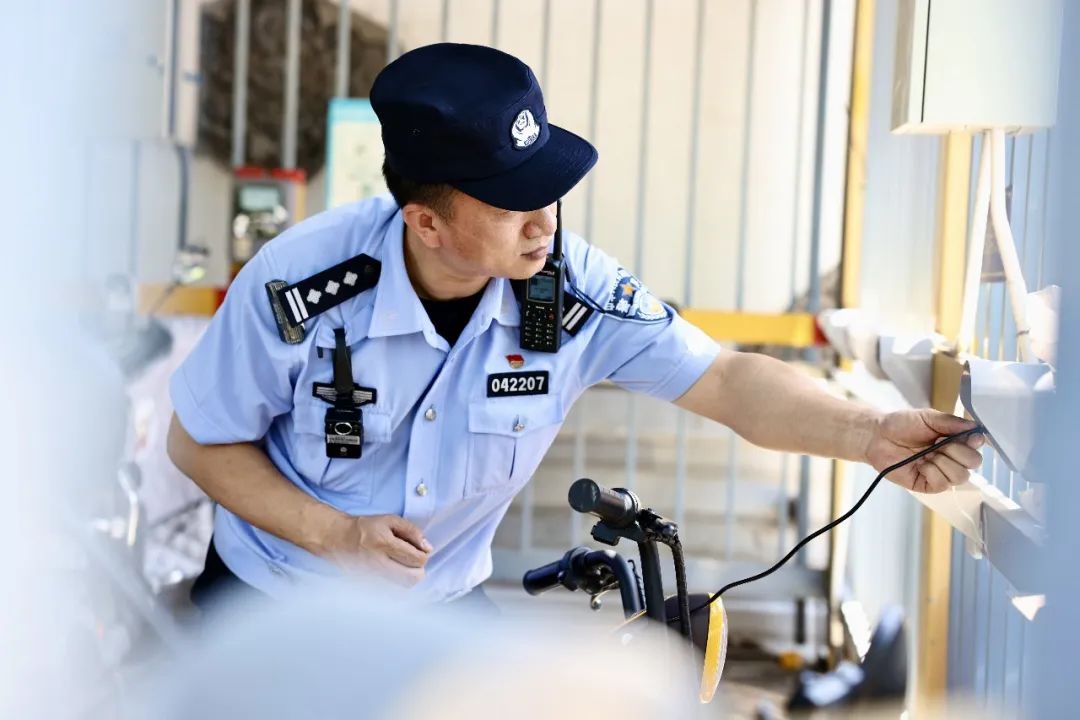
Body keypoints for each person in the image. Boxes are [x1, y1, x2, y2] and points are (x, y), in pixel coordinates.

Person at [167, 43, 984, 610]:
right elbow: (196, 442)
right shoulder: (300, 284)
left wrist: (870, 431)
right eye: (511, 204)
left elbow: (725, 380)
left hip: (433, 606)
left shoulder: (575, 287)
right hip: (274, 595)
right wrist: (336, 535)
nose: (545, 224)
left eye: (548, 191)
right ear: (425, 223)